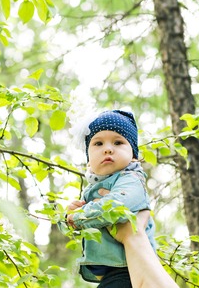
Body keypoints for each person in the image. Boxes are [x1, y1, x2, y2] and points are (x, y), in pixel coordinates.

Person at [66, 110, 156, 287]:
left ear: (133, 154)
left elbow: (116, 206)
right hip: (111, 273)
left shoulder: (131, 180)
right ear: (88, 157)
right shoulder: (93, 189)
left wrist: (78, 217)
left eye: (118, 142)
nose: (108, 148)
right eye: (98, 143)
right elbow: (77, 227)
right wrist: (67, 216)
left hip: (131, 268)